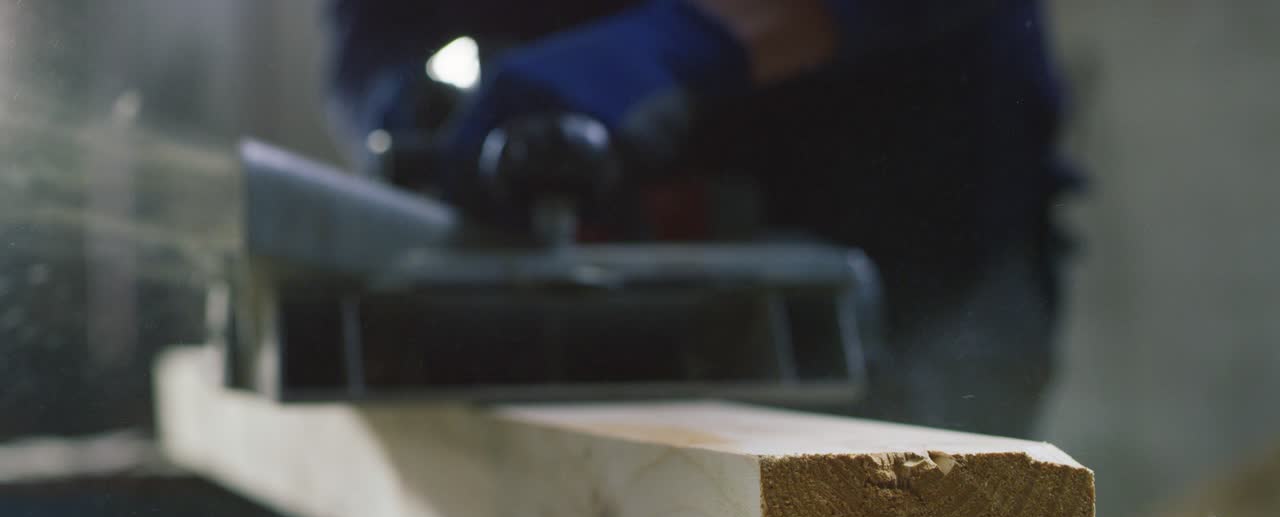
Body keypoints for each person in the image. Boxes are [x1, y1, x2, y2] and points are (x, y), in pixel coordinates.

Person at [323, 0, 1080, 438]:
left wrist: (694, 38)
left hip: (899, 225)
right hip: (556, 271)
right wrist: (403, 93)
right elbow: (374, 26)